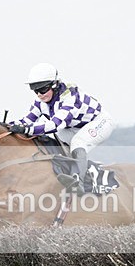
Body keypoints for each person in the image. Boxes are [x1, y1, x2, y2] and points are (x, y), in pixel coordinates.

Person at [8, 63, 115, 192]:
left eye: (42, 89)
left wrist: (27, 129)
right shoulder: (41, 102)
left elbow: (55, 125)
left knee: (78, 142)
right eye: (35, 90)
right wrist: (7, 127)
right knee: (53, 139)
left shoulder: (70, 97)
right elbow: (26, 120)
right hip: (73, 127)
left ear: (54, 85)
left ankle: (78, 183)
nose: (39, 95)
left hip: (99, 122)